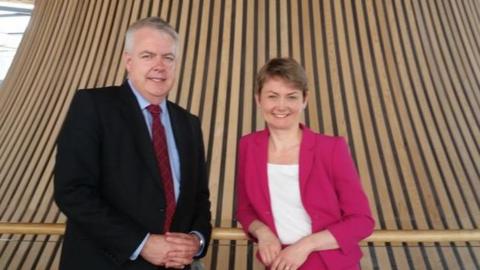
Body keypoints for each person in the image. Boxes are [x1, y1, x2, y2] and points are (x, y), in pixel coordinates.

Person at [54, 17, 211, 270]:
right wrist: (142, 243)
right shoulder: (93, 106)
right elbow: (72, 191)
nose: (159, 66)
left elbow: (200, 199)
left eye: (168, 58)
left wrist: (197, 240)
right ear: (129, 61)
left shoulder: (188, 123)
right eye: (148, 56)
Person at [235, 58, 375, 270]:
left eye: (291, 97)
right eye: (272, 96)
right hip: (279, 263)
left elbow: (362, 221)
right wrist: (263, 233)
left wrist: (305, 246)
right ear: (258, 99)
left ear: (304, 99)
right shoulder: (248, 146)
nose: (281, 106)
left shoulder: (331, 149)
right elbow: (245, 210)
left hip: (330, 264)